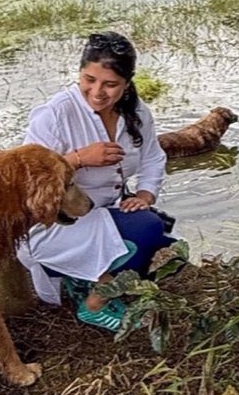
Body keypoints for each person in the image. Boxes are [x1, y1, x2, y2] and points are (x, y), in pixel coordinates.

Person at [17, 31, 188, 332]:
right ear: (80, 73)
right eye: (89, 80)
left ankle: (88, 278)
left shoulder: (136, 112)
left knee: (161, 239)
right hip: (54, 224)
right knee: (146, 231)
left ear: (127, 83)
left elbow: (152, 157)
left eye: (110, 85)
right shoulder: (55, 115)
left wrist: (145, 195)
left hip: (108, 210)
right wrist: (78, 159)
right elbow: (30, 179)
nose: (97, 92)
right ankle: (93, 305)